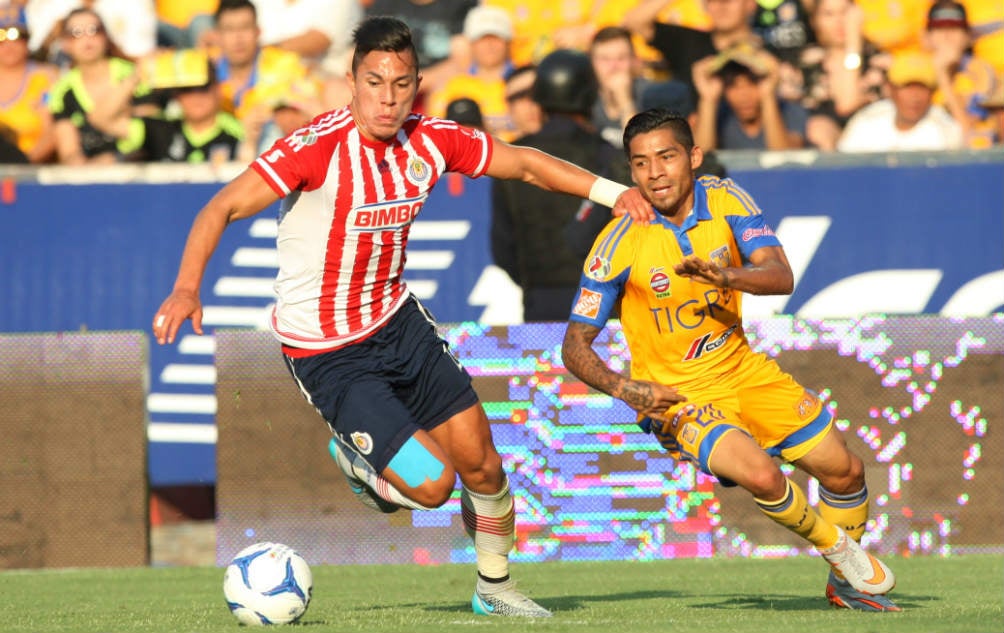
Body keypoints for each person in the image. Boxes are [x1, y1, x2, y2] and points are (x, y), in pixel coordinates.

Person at [152, 16, 649, 617]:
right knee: (434, 488)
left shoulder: (431, 140)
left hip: (397, 324)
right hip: (328, 353)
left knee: (484, 466)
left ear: (417, 85)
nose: (387, 99)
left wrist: (610, 193)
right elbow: (221, 206)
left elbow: (520, 164)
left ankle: (495, 591)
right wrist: (185, 288)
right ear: (351, 81)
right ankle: (361, 463)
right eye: (374, 82)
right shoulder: (316, 148)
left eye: (401, 84)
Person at [561, 108, 900, 612]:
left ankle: (844, 591)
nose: (654, 173)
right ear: (629, 172)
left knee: (846, 471)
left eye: (666, 157)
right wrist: (626, 389)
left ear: (693, 157)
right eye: (640, 163)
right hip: (680, 397)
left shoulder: (725, 199)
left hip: (745, 371)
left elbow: (780, 275)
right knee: (762, 475)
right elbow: (574, 345)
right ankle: (841, 552)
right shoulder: (618, 241)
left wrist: (726, 278)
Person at [492, 49, 631, 322]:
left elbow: (502, 248)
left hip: (540, 304)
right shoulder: (609, 156)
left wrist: (537, 287)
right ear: (590, 95)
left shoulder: (514, 158)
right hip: (603, 300)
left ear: (540, 98)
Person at [47, 8, 159, 164]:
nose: (87, 39)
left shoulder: (136, 75)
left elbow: (150, 134)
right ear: (65, 43)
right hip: (90, 179)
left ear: (106, 36)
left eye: (94, 30)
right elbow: (69, 152)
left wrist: (114, 159)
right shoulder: (62, 91)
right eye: (76, 32)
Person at [87, 59, 250, 163]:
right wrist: (137, 75)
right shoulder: (159, 128)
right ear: (176, 94)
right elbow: (100, 118)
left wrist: (250, 142)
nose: (196, 95)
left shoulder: (239, 132)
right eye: (187, 88)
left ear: (218, 89)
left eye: (203, 87)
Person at [623, 0, 760, 99]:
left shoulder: (765, 52)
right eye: (713, 0)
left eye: (727, 0)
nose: (720, 6)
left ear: (750, 4)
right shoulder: (688, 41)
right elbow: (634, 22)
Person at [837, 51, 964, 152]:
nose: (915, 96)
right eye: (907, 87)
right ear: (891, 89)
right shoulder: (868, 121)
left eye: (922, 88)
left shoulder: (943, 129)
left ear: (931, 93)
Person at [692, 43, 808, 150]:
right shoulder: (719, 115)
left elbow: (784, 160)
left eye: (753, 82)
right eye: (732, 85)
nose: (743, 95)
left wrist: (768, 96)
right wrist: (708, 100)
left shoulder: (790, 111)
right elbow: (700, 160)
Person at [426, 5, 517, 140]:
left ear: (508, 42)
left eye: (496, 38)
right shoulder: (450, 88)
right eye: (482, 39)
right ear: (471, 44)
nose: (489, 45)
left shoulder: (523, 85)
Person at [923, 0, 999, 149]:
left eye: (955, 28)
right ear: (928, 37)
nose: (947, 35)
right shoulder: (915, 72)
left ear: (967, 37)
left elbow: (969, 134)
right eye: (939, 28)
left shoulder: (981, 73)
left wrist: (943, 76)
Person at [0, 19, 57, 163]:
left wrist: (22, 164)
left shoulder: (46, 79)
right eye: (1, 38)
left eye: (17, 37)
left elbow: (52, 132)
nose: (9, 46)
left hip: (31, 169)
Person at [589, 26, 652, 149]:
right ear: (592, 62)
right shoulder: (584, 96)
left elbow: (641, 149)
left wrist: (625, 101)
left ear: (633, 60)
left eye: (621, 58)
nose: (613, 66)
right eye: (605, 59)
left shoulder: (649, 94)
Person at [502, 64, 543, 138]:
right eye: (520, 97)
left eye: (537, 94)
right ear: (509, 107)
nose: (531, 105)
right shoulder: (500, 147)